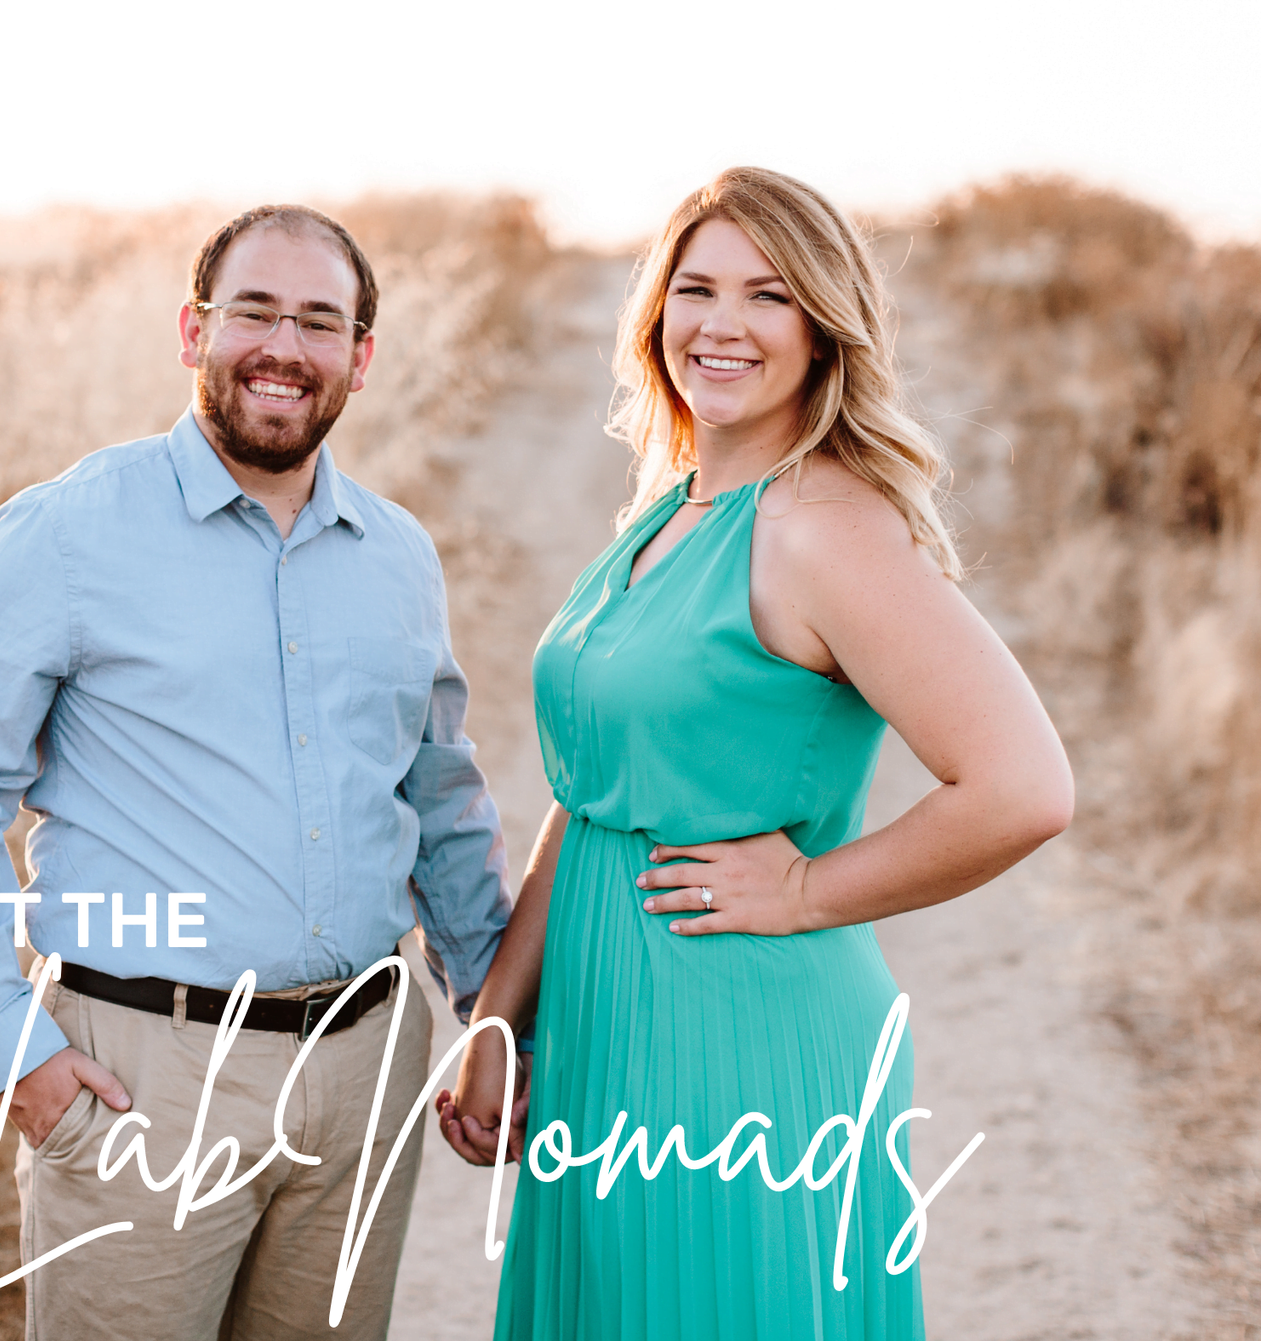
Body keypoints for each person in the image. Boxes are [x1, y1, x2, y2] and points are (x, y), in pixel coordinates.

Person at [435, 167, 1075, 1339]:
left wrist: (804, 889)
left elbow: (1024, 788)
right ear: (655, 314)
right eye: (695, 289)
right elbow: (591, 799)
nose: (721, 324)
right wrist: (496, 1021)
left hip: (740, 1039)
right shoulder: (667, 511)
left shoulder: (822, 526)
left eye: (767, 296)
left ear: (823, 332)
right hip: (604, 1032)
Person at [0, 204, 513, 1341]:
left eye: (320, 322)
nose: (285, 347)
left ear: (360, 358)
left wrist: (490, 1012)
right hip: (146, 1080)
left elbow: (438, 797)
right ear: (192, 331)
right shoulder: (62, 536)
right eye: (254, 313)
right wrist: (8, 1045)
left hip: (363, 1071)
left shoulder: (399, 557)